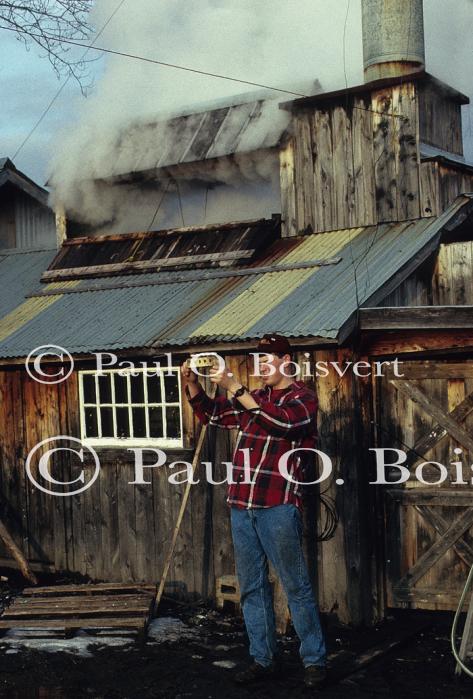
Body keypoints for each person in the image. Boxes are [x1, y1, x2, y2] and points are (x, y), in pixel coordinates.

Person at [181, 333, 327, 688]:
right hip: (241, 504)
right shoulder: (254, 396)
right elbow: (213, 416)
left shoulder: (303, 399)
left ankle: (315, 661)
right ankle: (263, 659)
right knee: (252, 587)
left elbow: (278, 423)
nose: (262, 367)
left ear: (286, 363)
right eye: (258, 361)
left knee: (296, 585)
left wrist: (234, 385)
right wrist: (194, 387)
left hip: (277, 506)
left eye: (269, 360)